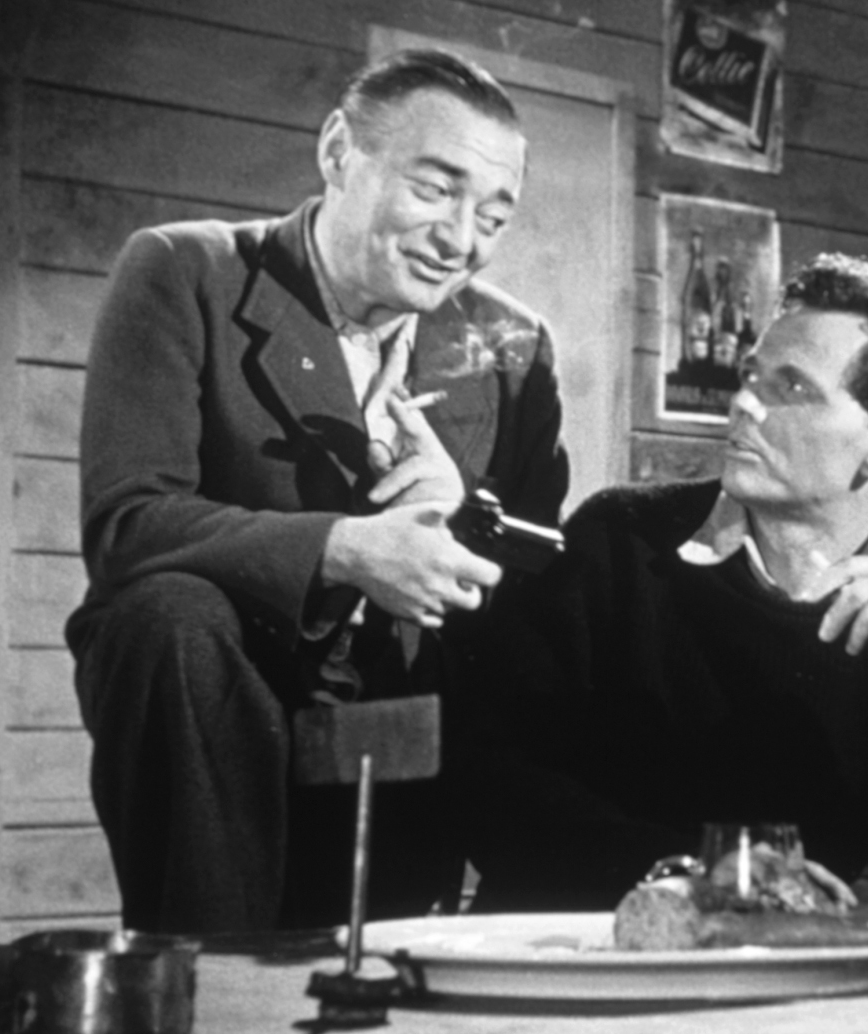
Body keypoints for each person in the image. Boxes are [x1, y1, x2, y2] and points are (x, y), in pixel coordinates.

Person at [65, 49, 569, 934]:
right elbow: (128, 523)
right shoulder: (185, 270)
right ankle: (206, 966)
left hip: (409, 702)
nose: (461, 239)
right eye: (434, 190)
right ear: (339, 151)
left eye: (493, 215)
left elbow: (538, 588)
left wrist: (462, 516)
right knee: (166, 611)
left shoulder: (512, 344)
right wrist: (343, 549)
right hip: (225, 685)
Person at [449, 253, 868, 912]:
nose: (742, 403)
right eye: (750, 376)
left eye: (792, 387)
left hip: (779, 960)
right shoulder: (618, 539)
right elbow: (491, 786)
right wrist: (700, 877)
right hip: (572, 951)